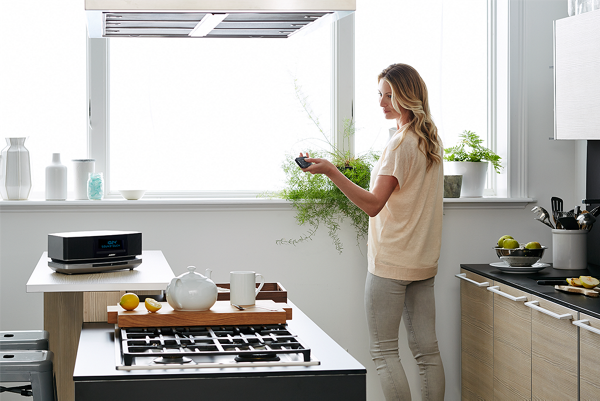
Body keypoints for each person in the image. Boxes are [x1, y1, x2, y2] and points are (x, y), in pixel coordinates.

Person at [300, 63, 445, 400]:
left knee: (383, 351)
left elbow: (373, 204)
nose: (382, 103)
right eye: (380, 95)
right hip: (423, 262)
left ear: (409, 96)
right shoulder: (431, 141)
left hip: (392, 262)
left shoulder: (400, 145)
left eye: (390, 95)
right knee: (427, 353)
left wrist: (332, 172)